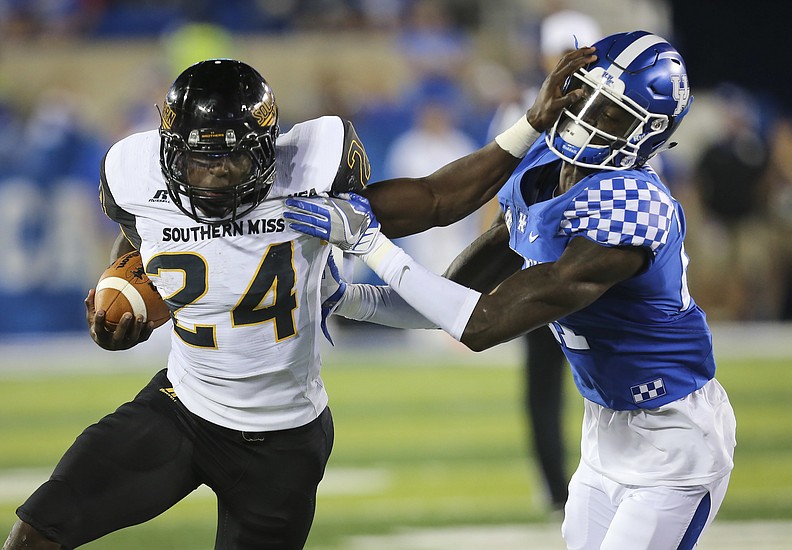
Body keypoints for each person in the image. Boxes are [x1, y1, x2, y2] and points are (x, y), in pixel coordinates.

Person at [285, 31, 737, 548]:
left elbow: (482, 324)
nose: (586, 115)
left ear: (648, 132)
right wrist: (350, 300)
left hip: (672, 434)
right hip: (605, 427)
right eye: (586, 95)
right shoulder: (544, 164)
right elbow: (451, 295)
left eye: (609, 113)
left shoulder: (633, 208)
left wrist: (370, 243)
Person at [2, 59, 371, 550]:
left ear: (264, 148)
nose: (213, 176)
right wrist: (128, 293)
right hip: (184, 406)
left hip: (282, 438)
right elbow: (138, 243)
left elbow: (422, 204)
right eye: (198, 159)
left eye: (231, 158)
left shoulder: (312, 162)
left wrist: (509, 144)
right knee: (39, 528)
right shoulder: (137, 175)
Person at [485, 7, 602, 513]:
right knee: (544, 379)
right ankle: (559, 489)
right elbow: (496, 189)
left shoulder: (616, 109)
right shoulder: (525, 109)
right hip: (538, 257)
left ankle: (597, 483)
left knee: (606, 371)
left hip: (592, 258)